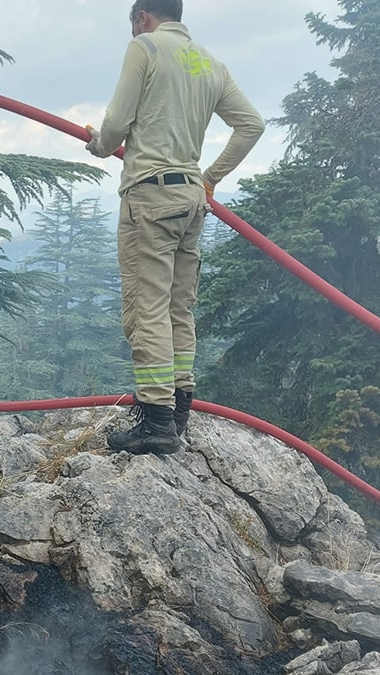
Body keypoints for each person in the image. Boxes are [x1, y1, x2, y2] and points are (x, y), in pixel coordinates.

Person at [86, 0, 264, 455]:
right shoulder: (210, 62)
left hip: (150, 195)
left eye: (132, 24)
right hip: (190, 198)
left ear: (141, 16)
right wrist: (209, 179)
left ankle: (157, 422)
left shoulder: (145, 48)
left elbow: (116, 123)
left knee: (147, 310)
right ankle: (179, 407)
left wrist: (100, 145)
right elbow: (252, 125)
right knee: (177, 310)